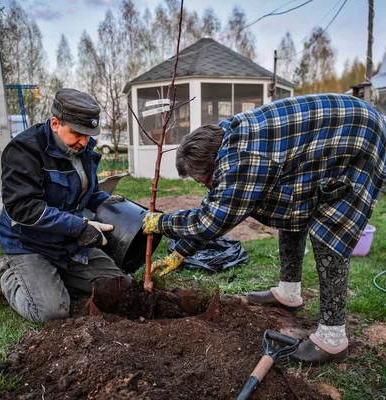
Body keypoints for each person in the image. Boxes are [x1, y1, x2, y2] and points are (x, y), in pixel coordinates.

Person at [143, 93, 386, 364]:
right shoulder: (222, 140)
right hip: (323, 136)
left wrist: (162, 223)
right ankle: (289, 293)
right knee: (292, 210)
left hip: (357, 136)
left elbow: (211, 221)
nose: (206, 186)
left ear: (215, 164)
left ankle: (332, 339)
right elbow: (216, 204)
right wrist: (181, 253)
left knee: (329, 232)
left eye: (206, 180)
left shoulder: (243, 160)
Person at [0, 88, 131, 323]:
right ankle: (6, 272)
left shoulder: (83, 148)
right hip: (29, 244)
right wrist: (79, 227)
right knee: (52, 312)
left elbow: (85, 191)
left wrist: (105, 201)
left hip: (67, 244)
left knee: (121, 288)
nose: (85, 142)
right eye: (78, 133)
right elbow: (22, 207)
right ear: (55, 123)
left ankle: (50, 278)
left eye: (89, 134)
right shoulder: (24, 150)